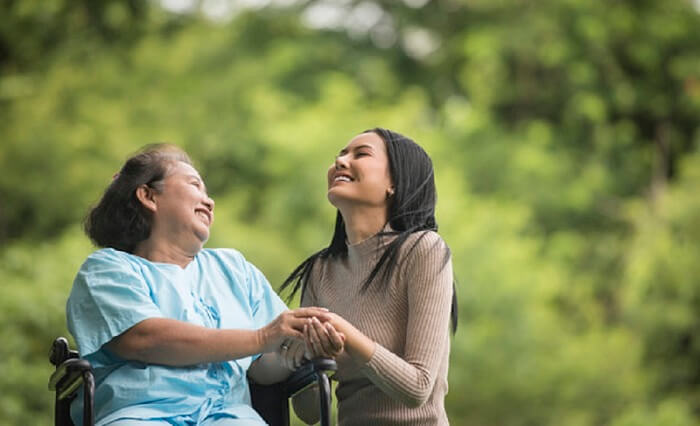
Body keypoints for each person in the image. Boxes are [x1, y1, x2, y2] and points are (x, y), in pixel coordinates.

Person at [66, 144, 330, 425]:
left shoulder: (234, 270)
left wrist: (298, 351)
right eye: (195, 186)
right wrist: (262, 337)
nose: (209, 201)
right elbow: (146, 339)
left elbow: (263, 369)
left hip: (229, 415)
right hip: (141, 413)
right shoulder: (107, 269)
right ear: (148, 195)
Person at [280, 128, 458, 425]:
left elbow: (418, 388)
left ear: (394, 183)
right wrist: (308, 358)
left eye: (360, 154)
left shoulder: (423, 250)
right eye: (340, 154)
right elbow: (309, 414)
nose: (340, 160)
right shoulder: (320, 271)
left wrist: (345, 334)